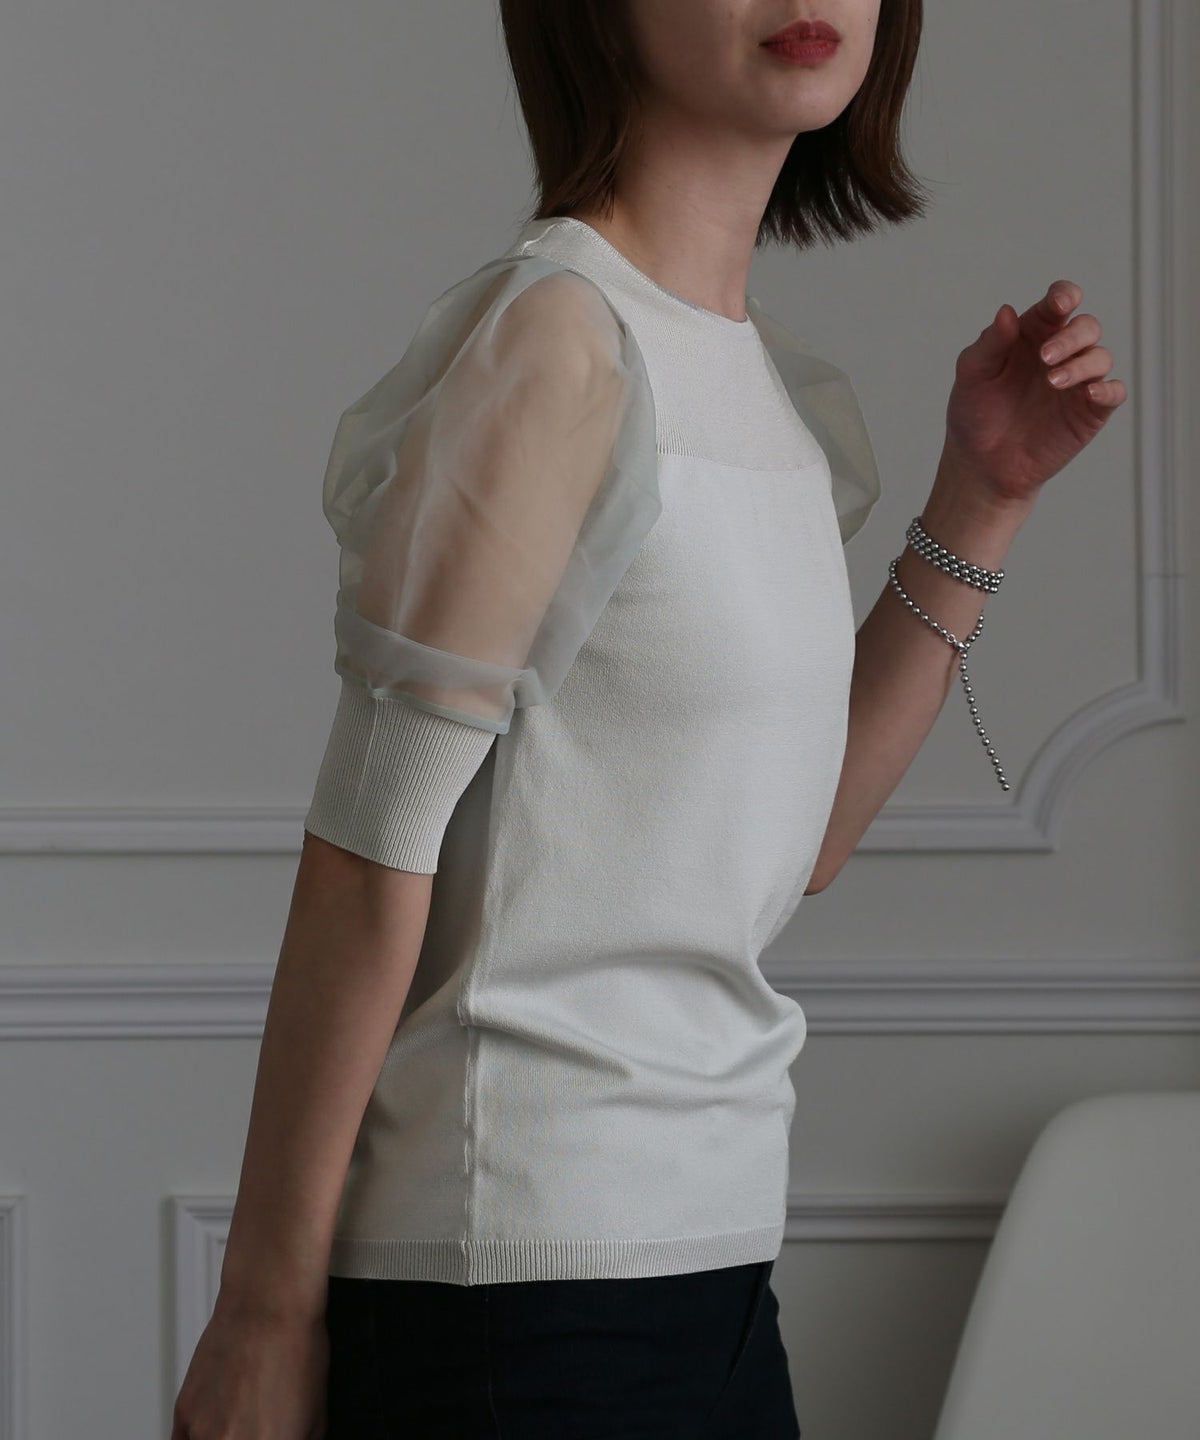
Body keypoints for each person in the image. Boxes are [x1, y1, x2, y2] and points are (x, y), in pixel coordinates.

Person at [170, 1, 1126, 1437]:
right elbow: (367, 855)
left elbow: (796, 838)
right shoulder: (557, 344)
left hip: (705, 1268)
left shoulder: (743, 378)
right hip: (519, 1285)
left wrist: (981, 500)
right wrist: (261, 1314)